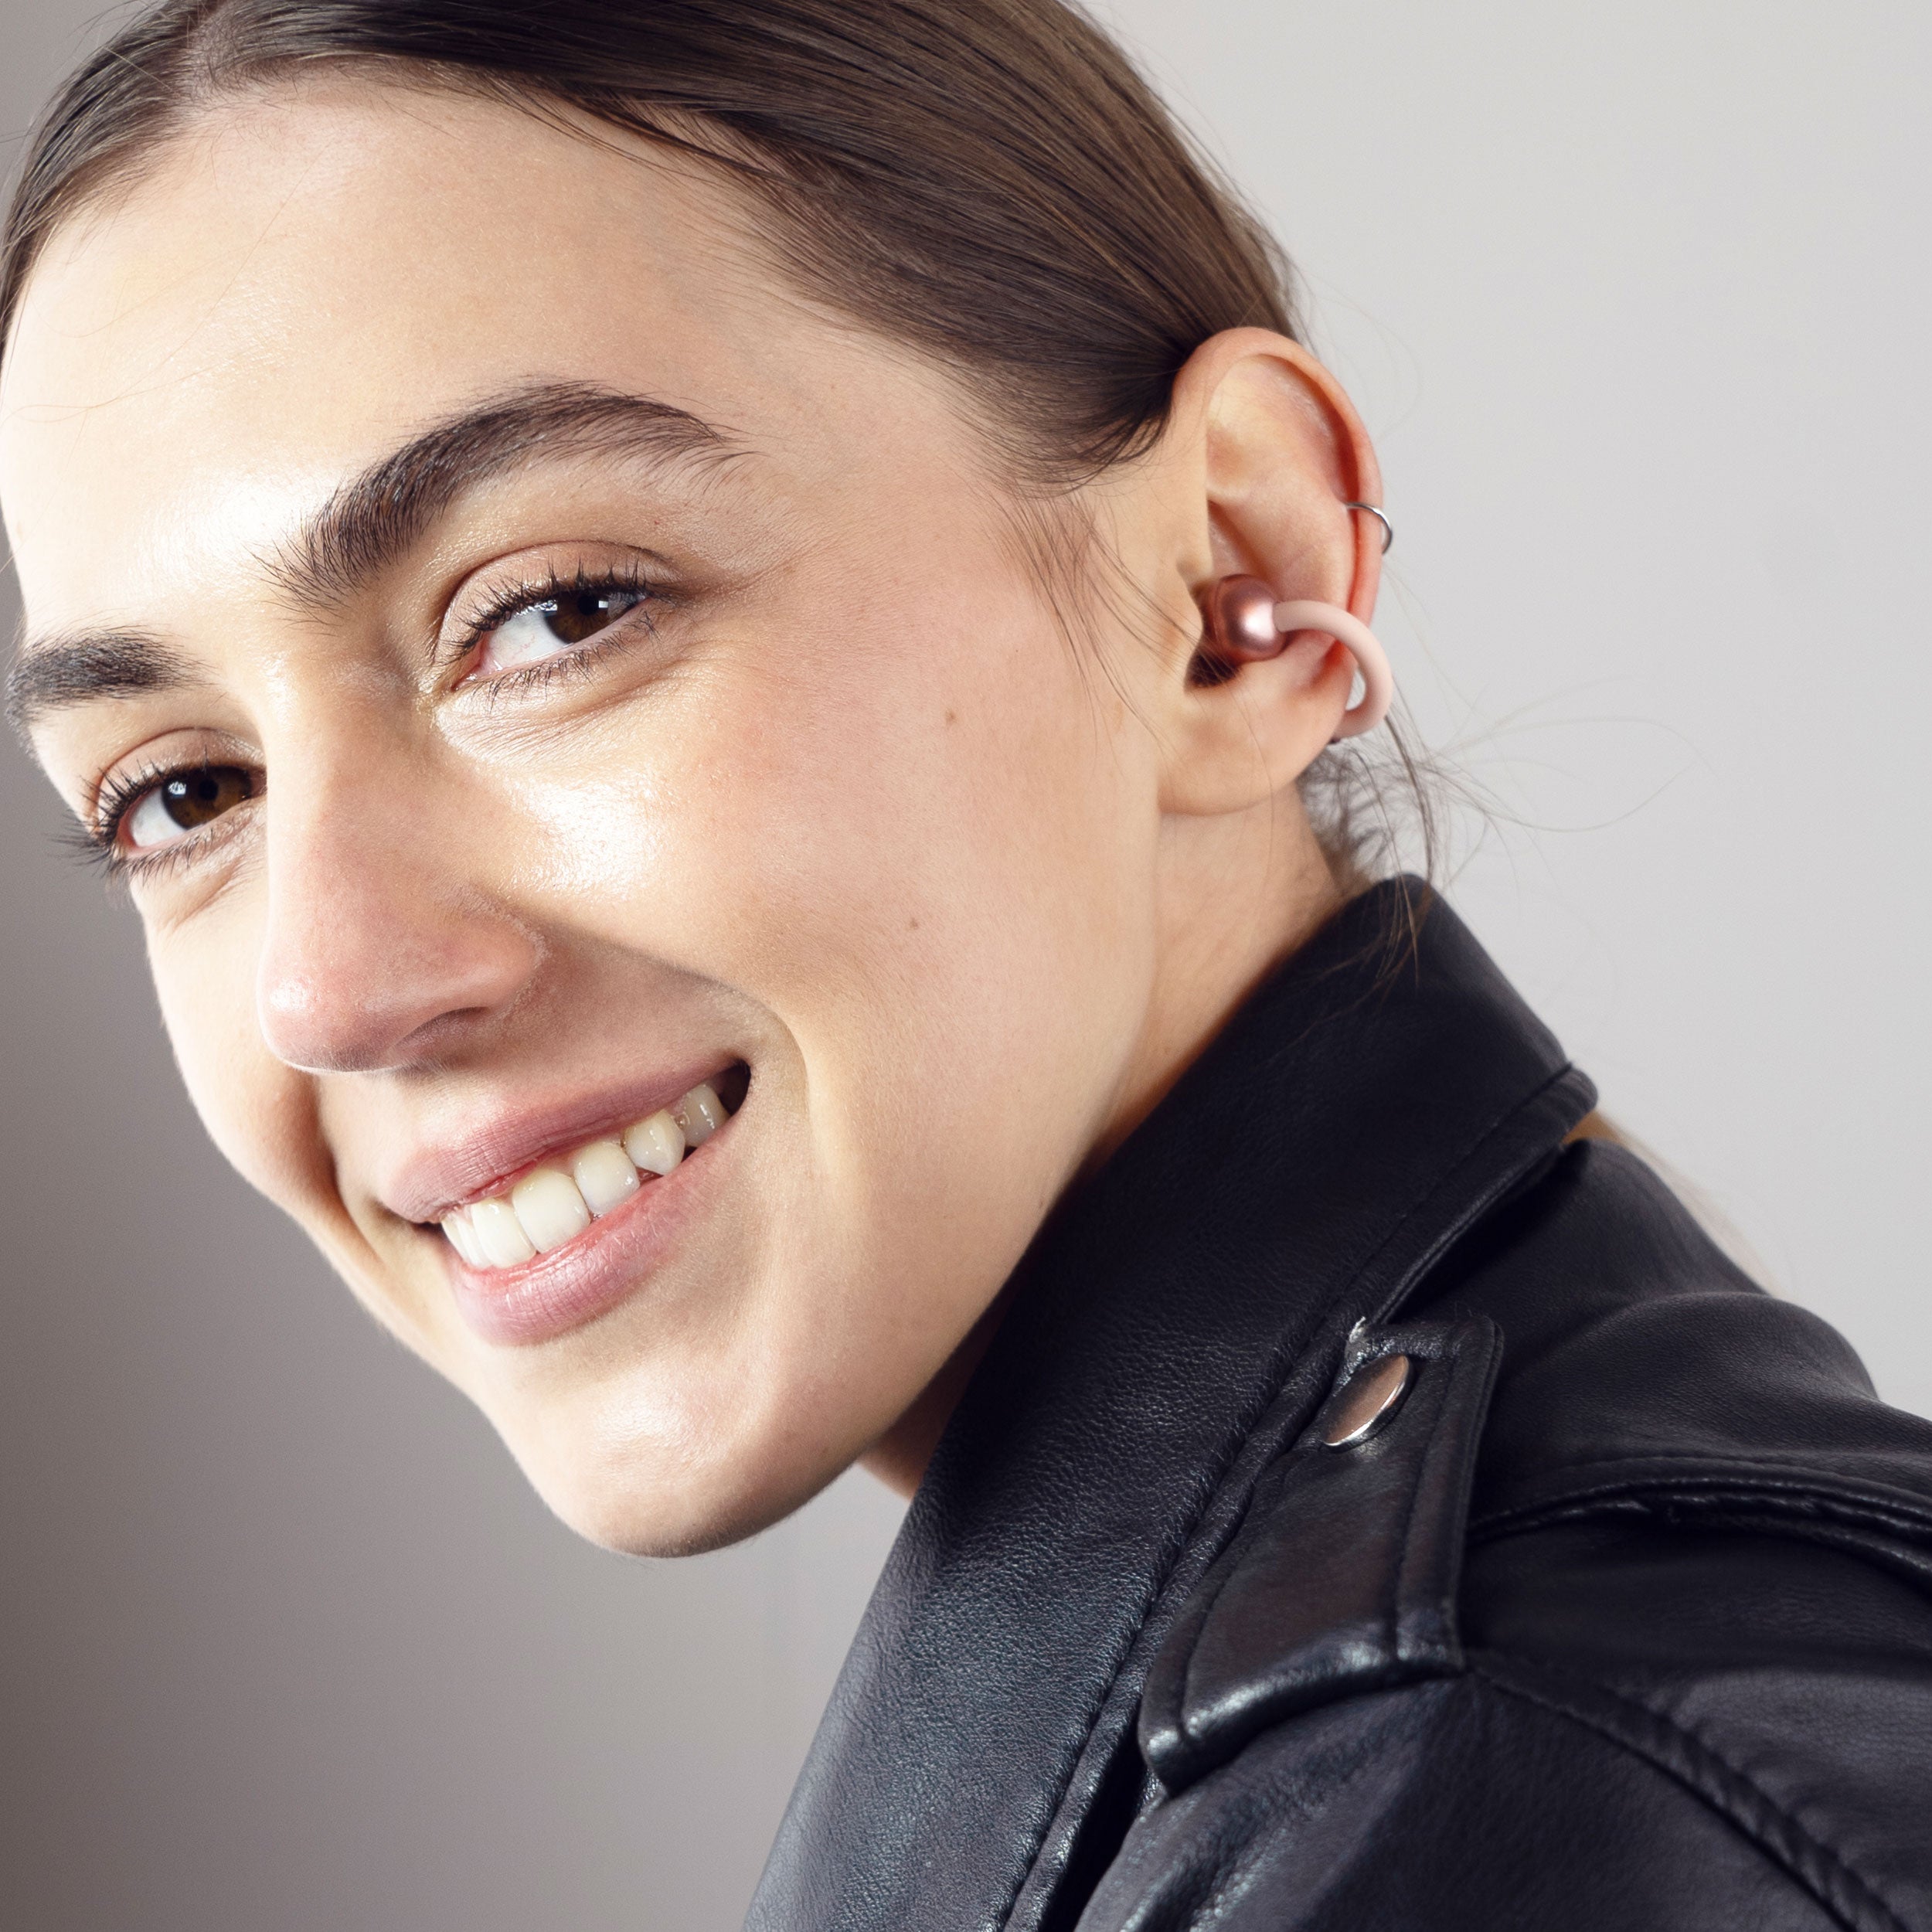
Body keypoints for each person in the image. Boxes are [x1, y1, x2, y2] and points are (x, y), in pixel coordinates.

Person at [3, 2, 1928, 1925]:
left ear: (1226, 595)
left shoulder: (1501, 1793)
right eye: (180, 797)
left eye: (555, 613)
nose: (328, 985)